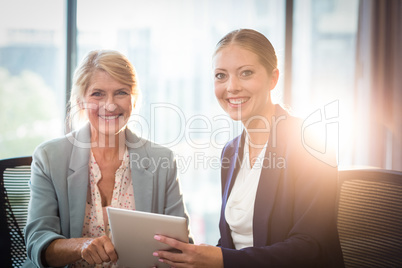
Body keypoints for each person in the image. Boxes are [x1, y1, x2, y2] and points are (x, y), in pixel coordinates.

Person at [153, 29, 344, 267]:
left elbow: (311, 247)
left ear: (273, 78)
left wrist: (222, 259)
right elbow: (232, 244)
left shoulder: (311, 142)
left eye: (246, 73)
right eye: (221, 76)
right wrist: (197, 257)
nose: (231, 87)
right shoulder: (231, 151)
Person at [23, 50, 192, 267]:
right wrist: (80, 247)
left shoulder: (162, 161)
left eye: (121, 92)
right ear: (81, 101)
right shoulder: (49, 157)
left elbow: (182, 246)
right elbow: (38, 242)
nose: (110, 105)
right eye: (98, 94)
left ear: (134, 99)